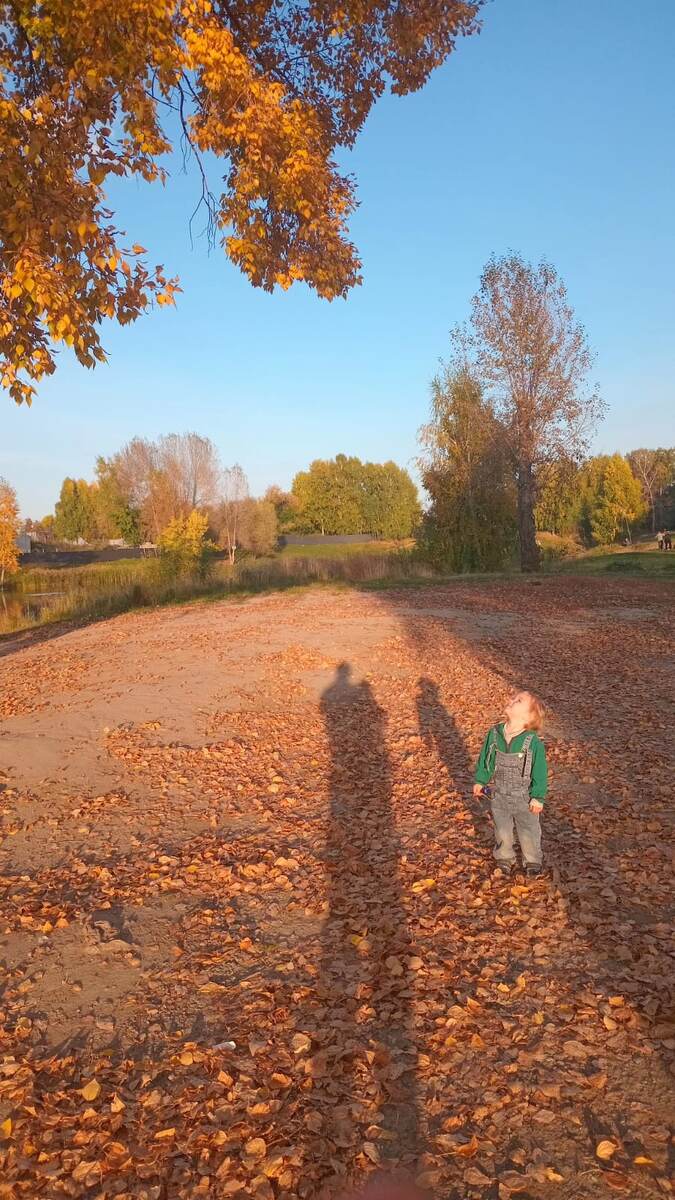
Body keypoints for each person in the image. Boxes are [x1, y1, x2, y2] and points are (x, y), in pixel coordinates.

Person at [473, 691, 548, 877]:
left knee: (528, 829)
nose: (511, 700)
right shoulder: (495, 733)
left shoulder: (532, 742)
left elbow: (539, 771)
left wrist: (538, 797)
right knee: (502, 827)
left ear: (529, 716)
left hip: (525, 797)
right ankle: (504, 857)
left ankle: (532, 860)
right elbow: (486, 759)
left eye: (519, 700)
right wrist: (481, 779)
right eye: (513, 697)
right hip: (500, 794)